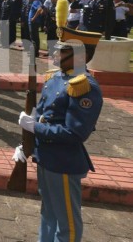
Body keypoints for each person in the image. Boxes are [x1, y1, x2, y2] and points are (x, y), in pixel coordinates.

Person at [14, 23, 103, 242]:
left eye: (62, 50)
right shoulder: (55, 78)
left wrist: (35, 128)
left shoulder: (83, 86)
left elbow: (74, 133)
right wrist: (27, 144)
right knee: (48, 213)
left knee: (67, 223)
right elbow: (42, 116)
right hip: (45, 156)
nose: (54, 52)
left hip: (62, 161)